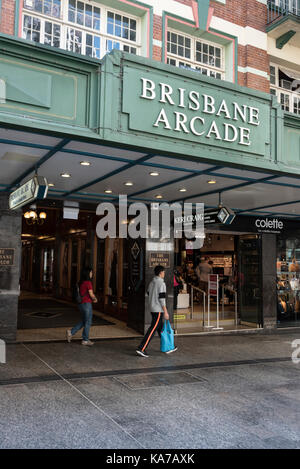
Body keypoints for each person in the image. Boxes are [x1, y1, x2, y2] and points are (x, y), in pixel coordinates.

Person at [136, 265, 177, 358]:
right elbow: (162, 299)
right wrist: (165, 311)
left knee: (160, 329)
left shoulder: (152, 282)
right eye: (163, 272)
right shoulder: (161, 283)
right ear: (160, 273)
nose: (164, 274)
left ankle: (168, 347)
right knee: (152, 329)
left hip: (152, 308)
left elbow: (148, 293)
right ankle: (141, 348)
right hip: (158, 309)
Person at [66, 267, 98, 346]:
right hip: (87, 304)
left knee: (85, 321)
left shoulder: (80, 282)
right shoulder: (88, 283)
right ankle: (85, 340)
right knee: (88, 322)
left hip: (80, 304)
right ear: (88, 273)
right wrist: (95, 299)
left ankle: (71, 332)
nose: (92, 274)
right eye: (91, 272)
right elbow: (91, 294)